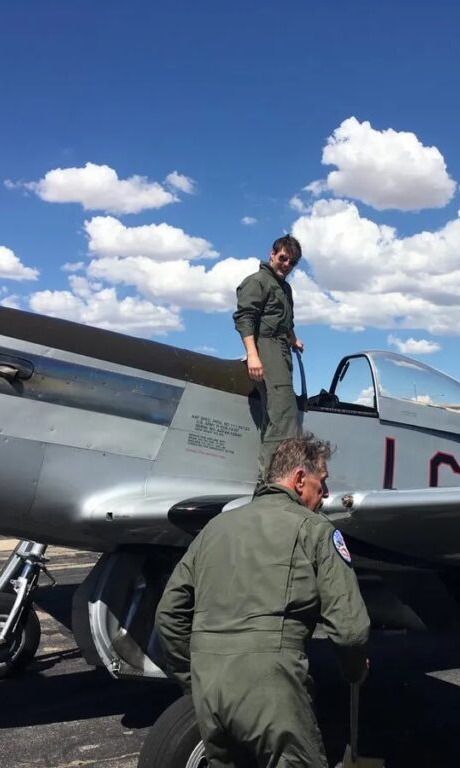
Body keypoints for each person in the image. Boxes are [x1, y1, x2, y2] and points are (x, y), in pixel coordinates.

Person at [155, 435, 370, 768]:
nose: (325, 495)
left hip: (210, 690)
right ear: (299, 479)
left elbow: (169, 615)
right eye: (321, 483)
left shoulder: (214, 528)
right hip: (271, 689)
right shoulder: (316, 530)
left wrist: (193, 678)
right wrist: (355, 670)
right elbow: (351, 630)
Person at [233, 234, 304, 483]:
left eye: (292, 262)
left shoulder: (284, 288)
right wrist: (253, 355)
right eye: (283, 258)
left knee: (279, 413)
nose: (286, 265)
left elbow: (287, 320)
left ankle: (271, 481)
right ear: (272, 254)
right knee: (282, 416)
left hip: (282, 349)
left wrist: (293, 339)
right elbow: (245, 319)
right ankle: (273, 484)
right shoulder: (257, 281)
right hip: (266, 346)